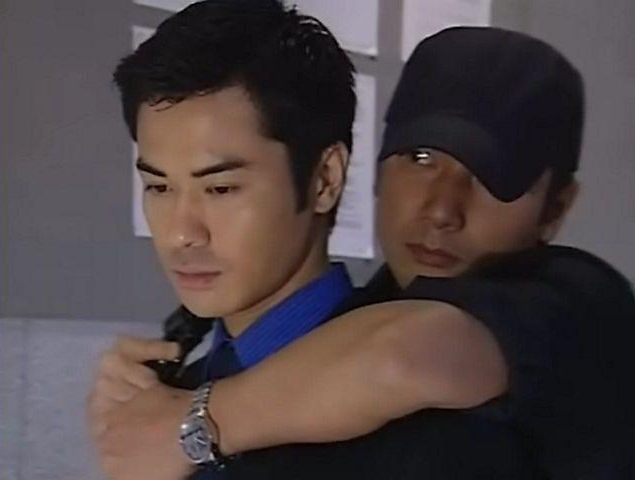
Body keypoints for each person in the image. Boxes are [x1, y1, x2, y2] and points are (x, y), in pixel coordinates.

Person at [88, 6, 635, 480]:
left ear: (326, 178)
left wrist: (188, 426)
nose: (182, 232)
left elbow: (402, 356)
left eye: (222, 188)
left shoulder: (470, 394)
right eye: (158, 187)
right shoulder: (181, 393)